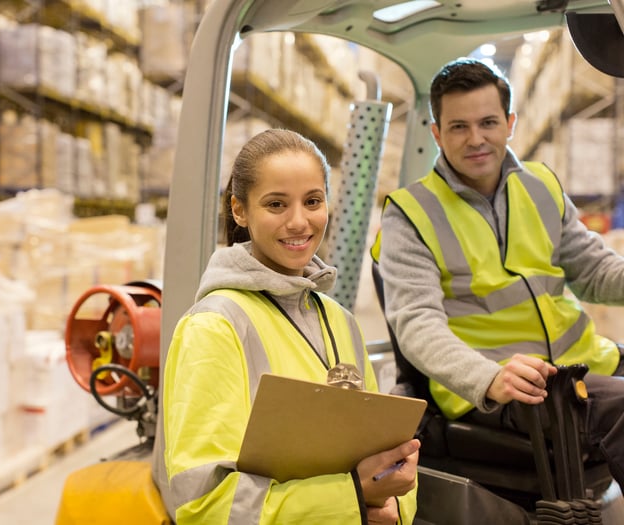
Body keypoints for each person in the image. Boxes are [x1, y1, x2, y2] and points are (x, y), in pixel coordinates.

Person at [371, 58, 624, 487]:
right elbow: (416, 324)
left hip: (582, 364)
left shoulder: (541, 185)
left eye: (488, 122)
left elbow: (594, 271)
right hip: (500, 387)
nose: (476, 139)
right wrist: (486, 378)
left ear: (510, 123)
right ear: (437, 133)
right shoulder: (411, 214)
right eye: (458, 127)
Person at [154, 128, 420, 524]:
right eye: (276, 204)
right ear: (240, 210)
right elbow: (205, 504)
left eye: (312, 201)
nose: (299, 221)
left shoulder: (340, 321)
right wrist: (354, 500)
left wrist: (395, 501)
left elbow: (384, 450)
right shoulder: (214, 327)